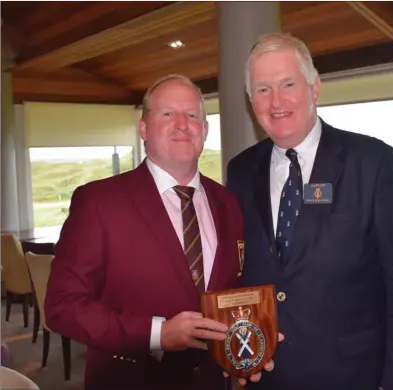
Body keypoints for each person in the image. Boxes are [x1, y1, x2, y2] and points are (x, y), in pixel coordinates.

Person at [226, 33, 393, 390]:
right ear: (250, 99)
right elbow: (243, 275)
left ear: (314, 88)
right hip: (266, 379)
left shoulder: (374, 162)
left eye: (288, 83)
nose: (276, 101)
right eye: (262, 89)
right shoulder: (240, 171)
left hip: (351, 377)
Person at [44, 75, 260, 390]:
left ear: (205, 129)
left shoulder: (226, 201)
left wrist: (248, 349)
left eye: (192, 115)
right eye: (168, 114)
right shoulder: (99, 202)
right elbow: (63, 306)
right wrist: (156, 334)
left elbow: (234, 291)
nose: (183, 124)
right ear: (144, 128)